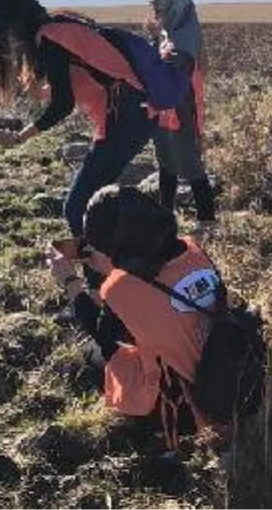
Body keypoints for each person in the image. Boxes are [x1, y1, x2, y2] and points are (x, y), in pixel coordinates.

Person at [46, 184, 227, 451]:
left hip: (190, 408)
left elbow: (106, 339)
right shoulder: (193, 249)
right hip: (226, 371)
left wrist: (71, 281)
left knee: (92, 351)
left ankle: (146, 426)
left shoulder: (120, 289)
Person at [0, 0, 154, 239]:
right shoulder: (62, 24)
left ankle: (100, 274)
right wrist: (38, 90)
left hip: (126, 117)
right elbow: (86, 78)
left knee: (77, 208)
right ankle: (119, 264)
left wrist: (20, 138)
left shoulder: (50, 38)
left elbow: (63, 105)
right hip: (135, 113)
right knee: (99, 203)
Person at [144, 0, 217, 226]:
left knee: (192, 165)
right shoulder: (174, 34)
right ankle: (165, 215)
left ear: (176, 12)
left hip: (182, 112)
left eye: (160, 12)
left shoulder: (185, 38)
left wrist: (156, 39)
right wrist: (157, 38)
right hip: (166, 111)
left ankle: (207, 221)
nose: (158, 17)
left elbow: (171, 68)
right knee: (166, 164)